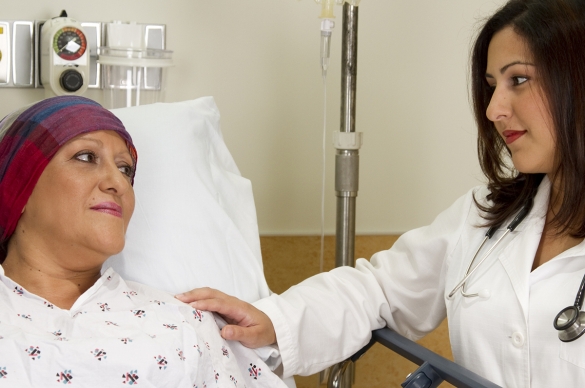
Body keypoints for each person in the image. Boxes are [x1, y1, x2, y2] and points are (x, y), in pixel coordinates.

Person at [176, 0, 585, 386]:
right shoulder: (485, 218)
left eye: (519, 80)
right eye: (492, 85)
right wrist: (273, 320)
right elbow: (378, 292)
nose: (494, 108)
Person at [0, 96, 286, 387]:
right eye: (87, 157)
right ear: (18, 188)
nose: (119, 182)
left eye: (125, 169)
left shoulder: (184, 324)